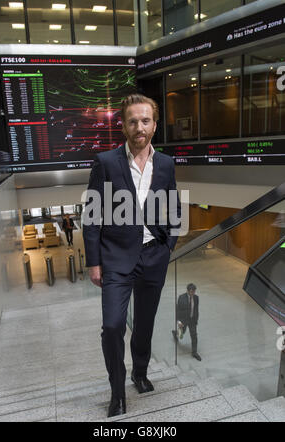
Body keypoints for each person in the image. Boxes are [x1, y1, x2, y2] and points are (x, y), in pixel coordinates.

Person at [83, 94, 181, 418]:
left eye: (146, 120)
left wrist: (169, 244)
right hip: (116, 259)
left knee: (145, 325)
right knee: (112, 326)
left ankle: (140, 372)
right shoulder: (106, 162)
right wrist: (94, 262)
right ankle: (117, 388)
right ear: (123, 125)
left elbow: (174, 206)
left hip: (154, 256)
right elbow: (92, 215)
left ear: (154, 124)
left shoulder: (165, 163)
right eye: (133, 121)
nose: (139, 127)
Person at [172, 283, 202, 361]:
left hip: (192, 321)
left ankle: (194, 352)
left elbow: (196, 309)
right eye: (192, 291)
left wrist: (196, 319)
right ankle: (175, 333)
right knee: (181, 333)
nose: (193, 293)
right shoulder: (181, 298)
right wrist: (178, 321)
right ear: (188, 291)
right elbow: (178, 311)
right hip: (183, 321)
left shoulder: (196, 298)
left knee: (194, 336)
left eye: (194, 291)